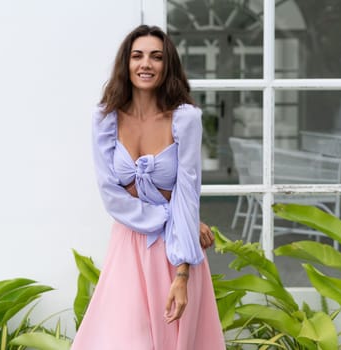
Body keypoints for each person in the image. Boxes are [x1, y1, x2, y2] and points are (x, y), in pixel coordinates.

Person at [71, 24, 225, 350]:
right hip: (128, 245)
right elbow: (111, 194)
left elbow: (187, 191)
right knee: (123, 339)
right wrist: (172, 215)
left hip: (176, 251)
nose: (146, 64)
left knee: (173, 340)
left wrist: (182, 274)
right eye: (137, 55)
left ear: (167, 65)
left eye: (156, 57)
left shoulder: (185, 119)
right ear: (125, 63)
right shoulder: (105, 118)